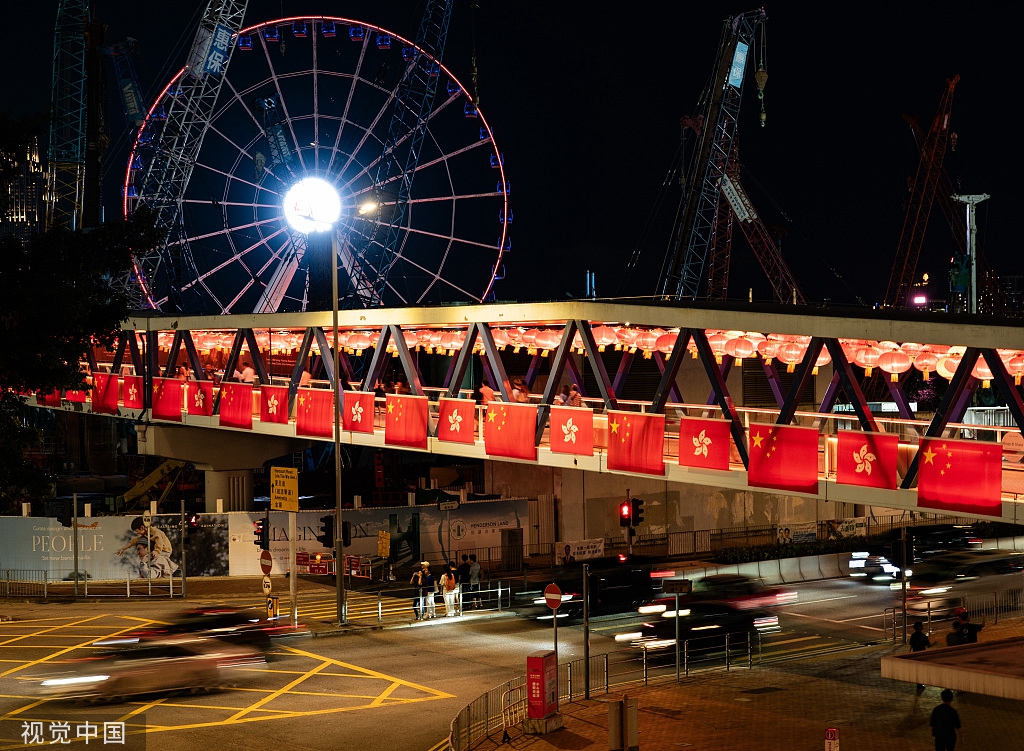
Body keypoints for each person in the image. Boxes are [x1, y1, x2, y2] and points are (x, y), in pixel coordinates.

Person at [910, 621, 933, 691]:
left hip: (915, 654)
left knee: (917, 669)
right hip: (922, 654)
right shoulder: (923, 636)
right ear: (919, 627)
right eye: (921, 626)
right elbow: (928, 645)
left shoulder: (913, 636)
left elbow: (911, 645)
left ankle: (918, 683)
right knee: (922, 669)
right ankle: (920, 683)